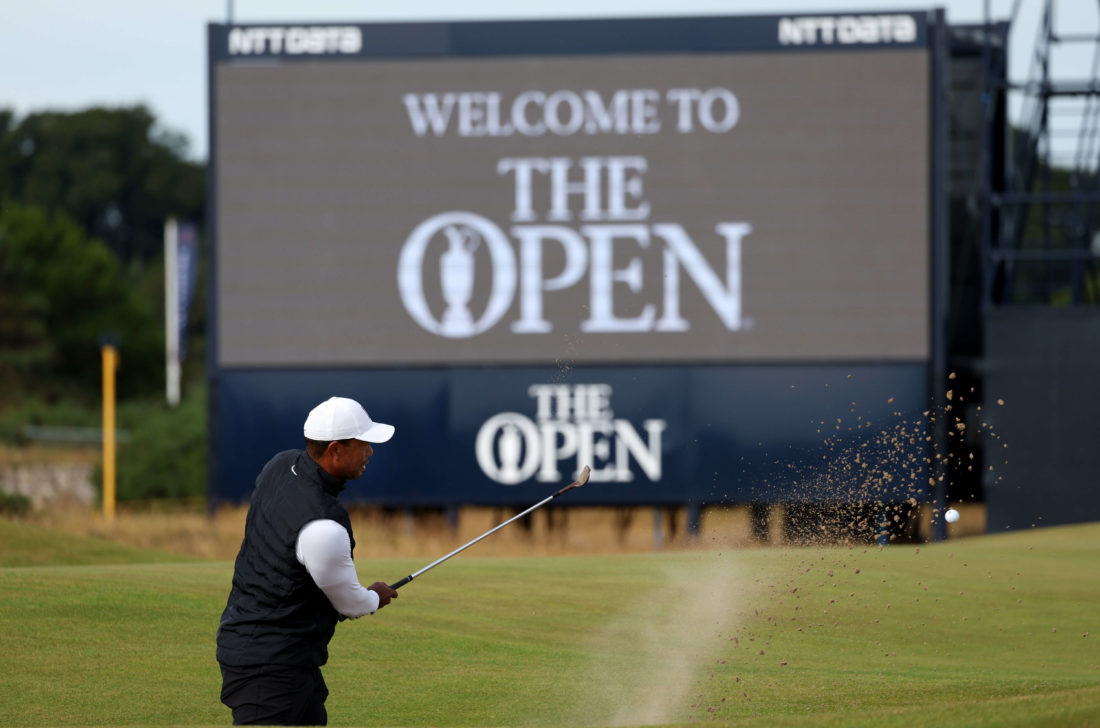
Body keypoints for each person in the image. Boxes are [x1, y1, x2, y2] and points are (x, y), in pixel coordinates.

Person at [216, 396, 400, 726]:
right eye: (363, 445)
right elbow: (350, 603)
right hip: (269, 664)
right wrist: (376, 596)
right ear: (335, 451)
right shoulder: (323, 526)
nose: (370, 452)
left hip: (276, 653)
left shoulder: (279, 465)